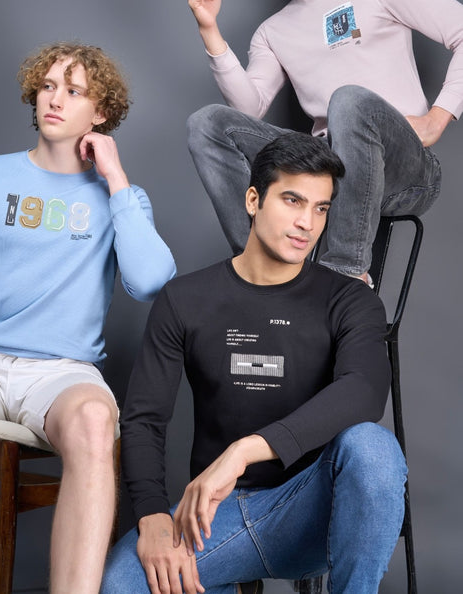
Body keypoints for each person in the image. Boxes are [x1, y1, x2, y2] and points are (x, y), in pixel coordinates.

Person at [102, 132, 406, 594]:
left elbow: (363, 390)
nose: (306, 222)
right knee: (119, 584)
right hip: (216, 516)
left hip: (314, 510)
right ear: (252, 200)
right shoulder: (185, 299)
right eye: (292, 200)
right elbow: (144, 420)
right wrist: (152, 515)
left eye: (320, 208)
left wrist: (244, 450)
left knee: (372, 447)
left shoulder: (350, 300)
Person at [0, 42, 176, 594]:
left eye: (74, 91)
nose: (55, 100)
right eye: (47, 86)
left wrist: (115, 178)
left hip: (62, 373)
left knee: (94, 421)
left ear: (101, 112)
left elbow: (150, 281)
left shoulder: (123, 197)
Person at [185, 0, 462, 283]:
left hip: (404, 167)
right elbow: (249, 108)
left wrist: (438, 118)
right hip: (326, 163)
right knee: (208, 123)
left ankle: (345, 272)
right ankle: (262, 268)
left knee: (348, 99)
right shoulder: (273, 32)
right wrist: (209, 29)